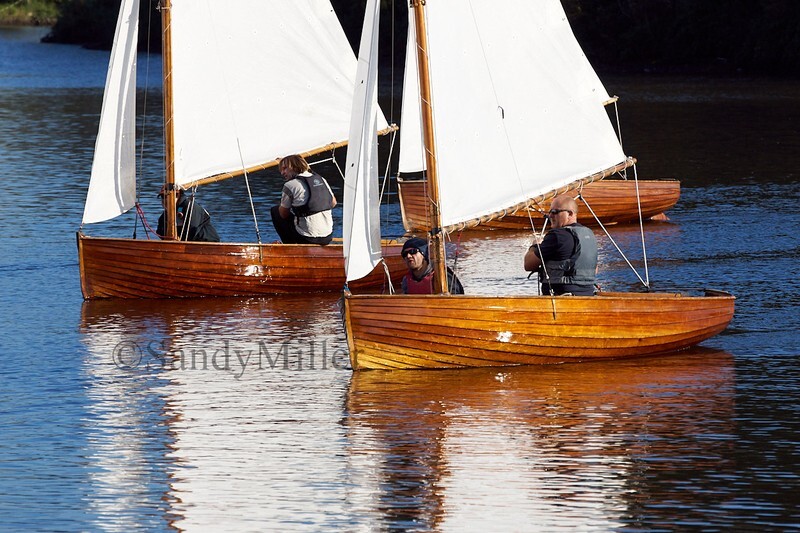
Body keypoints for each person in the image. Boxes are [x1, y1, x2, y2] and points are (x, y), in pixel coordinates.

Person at [523, 195, 597, 296]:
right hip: (587, 295)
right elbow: (595, 269)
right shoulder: (589, 234)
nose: (550, 216)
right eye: (550, 212)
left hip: (561, 298)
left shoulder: (557, 236)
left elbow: (528, 264)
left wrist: (534, 246)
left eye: (555, 212)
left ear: (570, 213)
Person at [270, 154, 336, 245]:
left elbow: (283, 214)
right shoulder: (321, 179)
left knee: (275, 211)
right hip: (327, 237)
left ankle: (289, 246)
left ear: (294, 166)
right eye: (281, 170)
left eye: (285, 168)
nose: (282, 173)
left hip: (306, 238)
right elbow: (333, 203)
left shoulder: (290, 185)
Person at [400, 237, 464, 295]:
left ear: (423, 254)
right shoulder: (406, 281)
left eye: (413, 251)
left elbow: (458, 299)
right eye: (405, 254)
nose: (408, 256)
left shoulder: (443, 276)